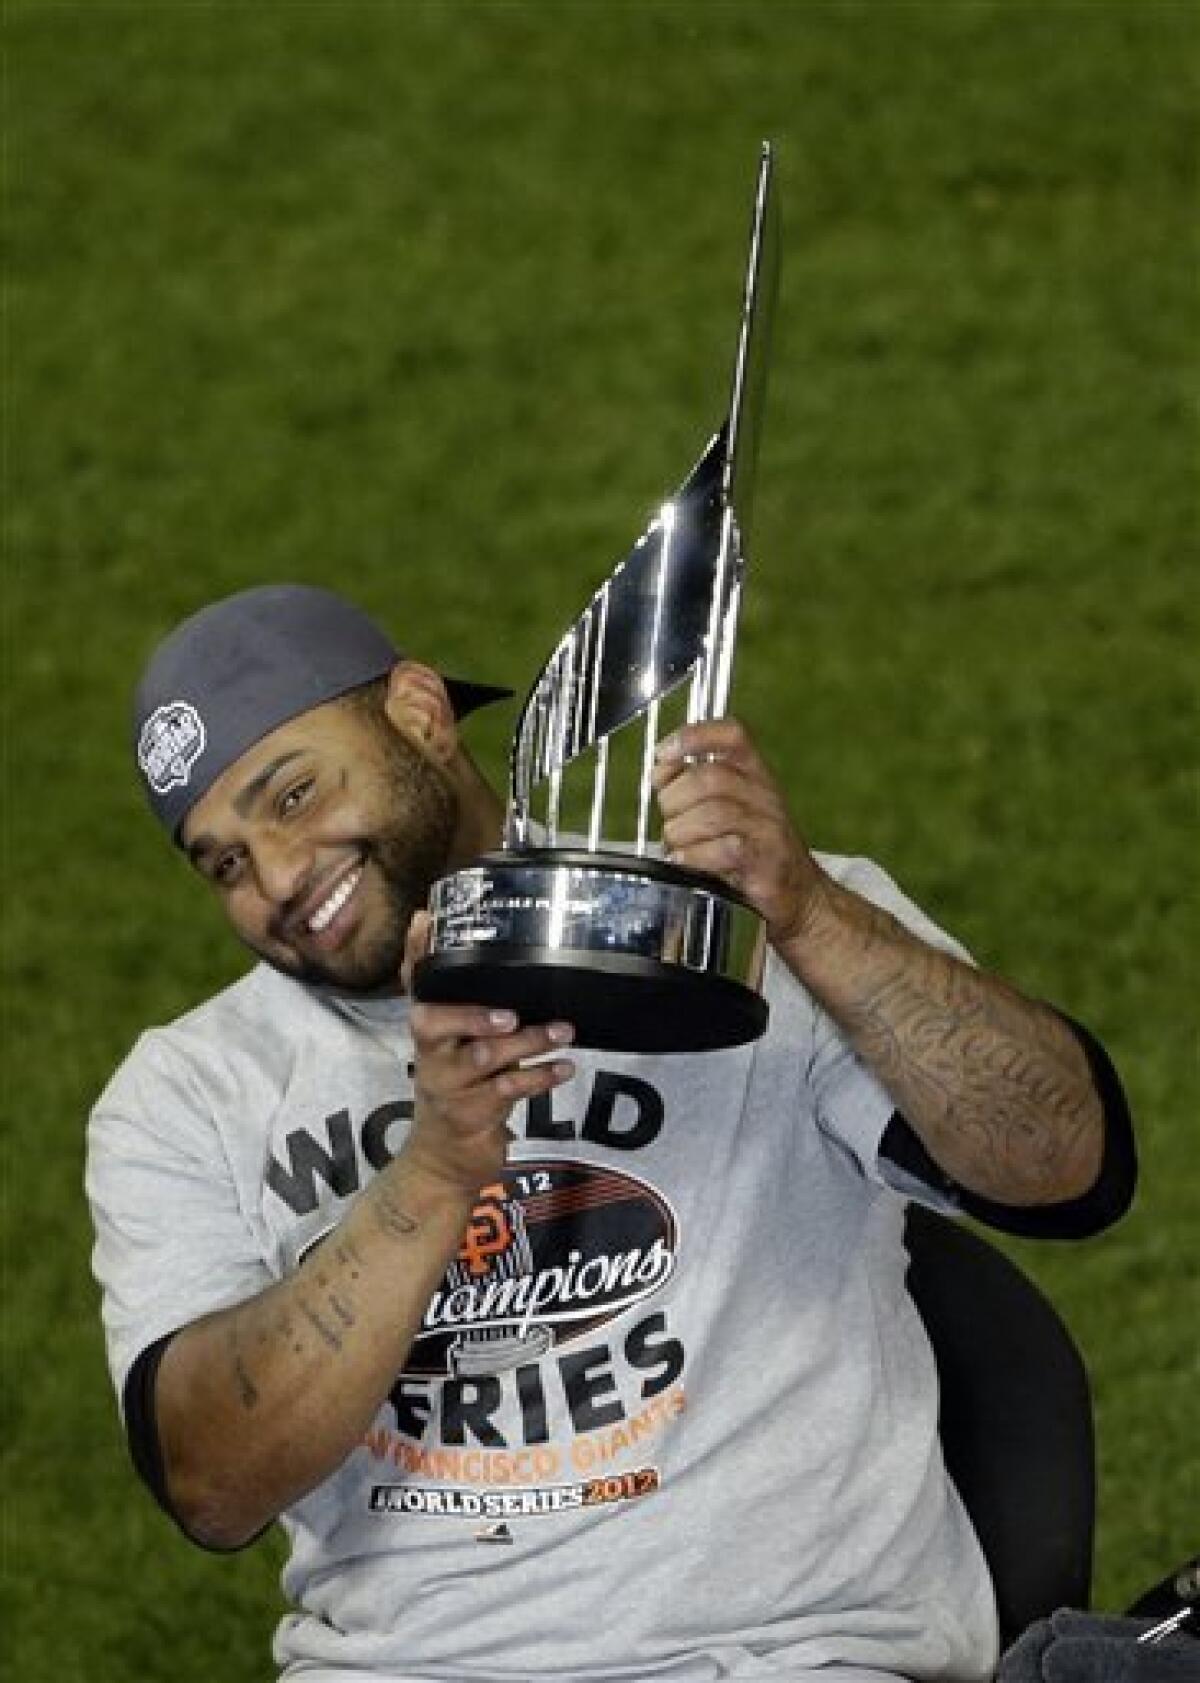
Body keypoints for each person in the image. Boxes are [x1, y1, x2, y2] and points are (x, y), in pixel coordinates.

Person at [88, 583, 1136, 1683]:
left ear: (418, 714)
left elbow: (1069, 1167)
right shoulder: (189, 1093)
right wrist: (436, 1171)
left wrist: (812, 913)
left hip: (787, 1660)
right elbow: (210, 1485)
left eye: (294, 793)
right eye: (225, 864)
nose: (281, 880)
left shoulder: (743, 931)